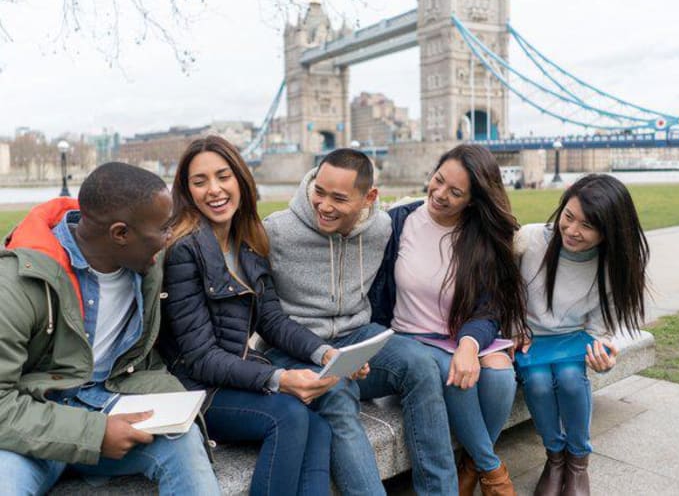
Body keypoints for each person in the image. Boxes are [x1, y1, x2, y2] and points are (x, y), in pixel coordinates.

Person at [0, 162, 220, 495]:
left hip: (116, 402)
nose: (169, 238)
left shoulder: (145, 261)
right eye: (163, 228)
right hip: (35, 418)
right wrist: (93, 433)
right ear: (120, 233)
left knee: (184, 442)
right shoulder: (17, 284)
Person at [263, 148, 458, 496]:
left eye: (338, 198)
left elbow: (431, 211)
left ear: (369, 198)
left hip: (357, 339)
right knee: (335, 392)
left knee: (422, 364)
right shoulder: (276, 230)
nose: (323, 205)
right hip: (293, 348)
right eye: (318, 191)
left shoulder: (381, 227)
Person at [159, 136, 339, 496]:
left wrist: (324, 353)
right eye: (200, 182)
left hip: (233, 375)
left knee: (319, 427)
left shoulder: (249, 242)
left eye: (223, 176)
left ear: (240, 178)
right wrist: (280, 378)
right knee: (288, 416)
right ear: (187, 191)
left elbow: (272, 320)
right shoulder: (184, 250)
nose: (214, 190)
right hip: (194, 389)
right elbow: (199, 358)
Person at [369, 144, 527, 496]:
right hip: (410, 339)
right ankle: (492, 470)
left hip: (463, 335)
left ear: (472, 200)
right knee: (450, 371)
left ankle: (471, 465)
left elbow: (489, 309)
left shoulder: (482, 237)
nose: (440, 194)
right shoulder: (399, 222)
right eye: (438, 180)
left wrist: (470, 343)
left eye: (455, 192)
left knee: (501, 377)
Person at [516, 173, 649, 496]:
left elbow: (600, 328)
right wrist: (512, 324)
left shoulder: (613, 265)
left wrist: (604, 352)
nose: (573, 231)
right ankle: (555, 457)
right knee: (537, 383)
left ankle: (577, 462)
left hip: (576, 338)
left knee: (572, 378)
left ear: (610, 231)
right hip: (529, 338)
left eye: (587, 226)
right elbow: (497, 288)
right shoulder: (530, 240)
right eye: (569, 217)